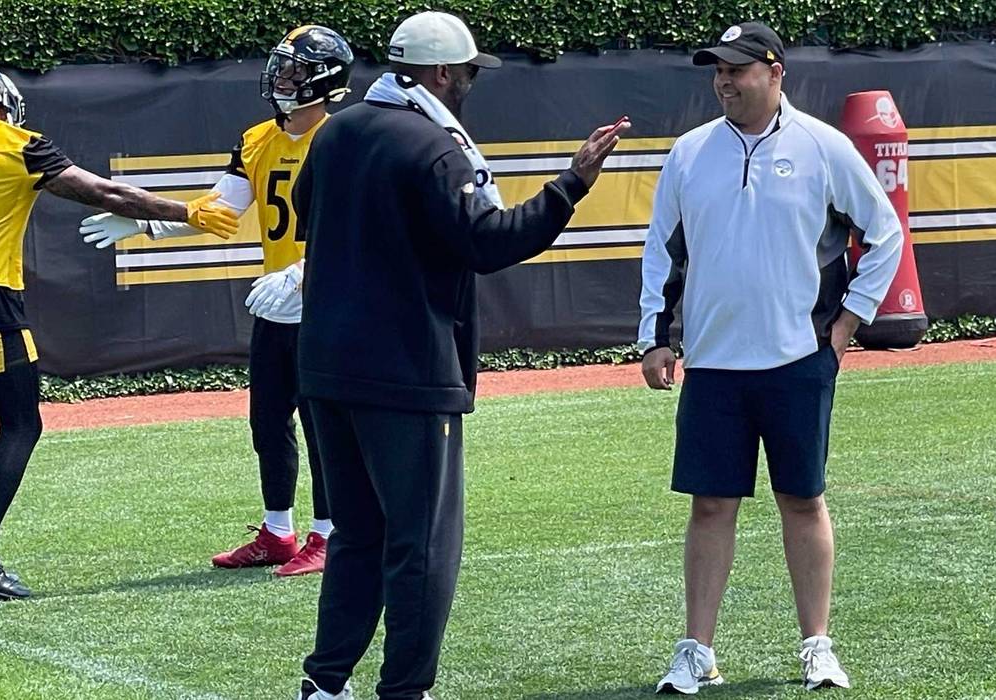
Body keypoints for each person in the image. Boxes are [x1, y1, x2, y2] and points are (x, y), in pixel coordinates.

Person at [288, 11, 628, 700]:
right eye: (469, 71)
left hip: (327, 363)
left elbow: (304, 206)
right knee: (422, 545)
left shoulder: (341, 128)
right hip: (407, 371)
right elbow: (488, 243)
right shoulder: (434, 146)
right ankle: (404, 690)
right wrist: (571, 186)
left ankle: (324, 685)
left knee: (357, 535)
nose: (472, 82)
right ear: (442, 72)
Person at [637, 22, 903, 694]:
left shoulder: (823, 146)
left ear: (774, 71)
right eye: (716, 71)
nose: (724, 80)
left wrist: (845, 325)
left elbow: (884, 233)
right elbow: (661, 249)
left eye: (736, 69)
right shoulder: (690, 153)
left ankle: (816, 646)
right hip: (715, 362)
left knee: (802, 500)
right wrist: (655, 335)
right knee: (709, 506)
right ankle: (695, 650)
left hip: (796, 360)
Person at [77, 26, 355, 577]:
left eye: (294, 70)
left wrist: (304, 271)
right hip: (277, 299)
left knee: (326, 423)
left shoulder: (347, 136)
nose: (281, 78)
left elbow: (360, 225)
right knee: (268, 419)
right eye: (281, 67)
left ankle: (330, 535)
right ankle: (279, 531)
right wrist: (146, 223)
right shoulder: (258, 139)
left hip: (331, 298)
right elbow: (219, 209)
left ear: (322, 80)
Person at [0, 65, 239, 601]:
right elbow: (105, 192)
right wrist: (185, 212)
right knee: (21, 424)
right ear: (4, 103)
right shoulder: (16, 143)